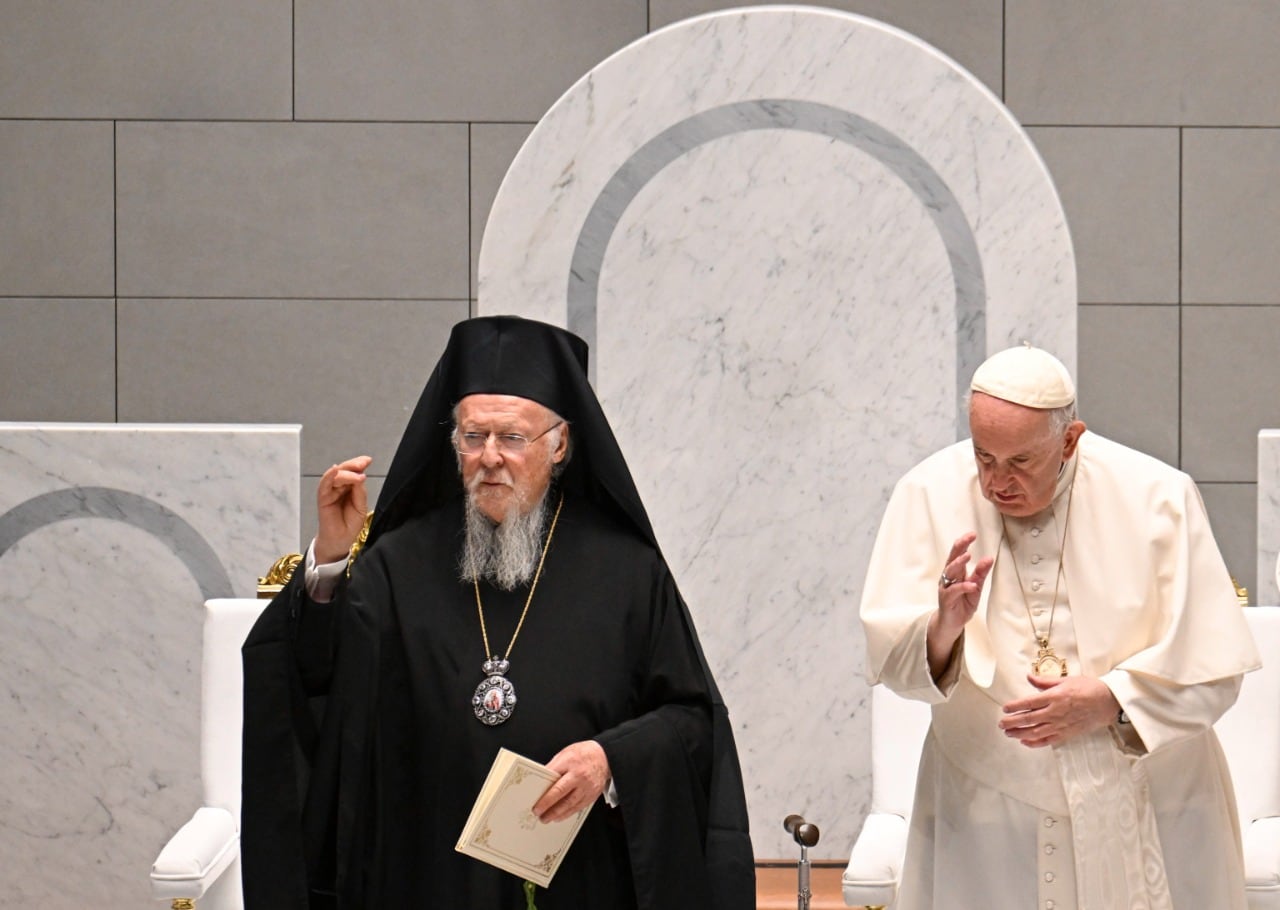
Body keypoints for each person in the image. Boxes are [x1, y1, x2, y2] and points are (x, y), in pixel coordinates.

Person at [241, 315, 754, 910]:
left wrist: (611, 760)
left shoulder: (628, 571)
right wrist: (331, 561)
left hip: (580, 875)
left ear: (560, 444)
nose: (489, 457)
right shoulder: (397, 563)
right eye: (472, 436)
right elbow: (321, 689)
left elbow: (691, 719)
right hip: (420, 869)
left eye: (512, 438)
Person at [859, 344, 1260, 910]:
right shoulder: (926, 492)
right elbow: (893, 662)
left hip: (1152, 789)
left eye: (1020, 461)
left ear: (1070, 440)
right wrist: (942, 627)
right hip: (988, 809)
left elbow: (1215, 672)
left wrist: (1113, 700)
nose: (997, 481)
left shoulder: (1158, 496)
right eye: (983, 456)